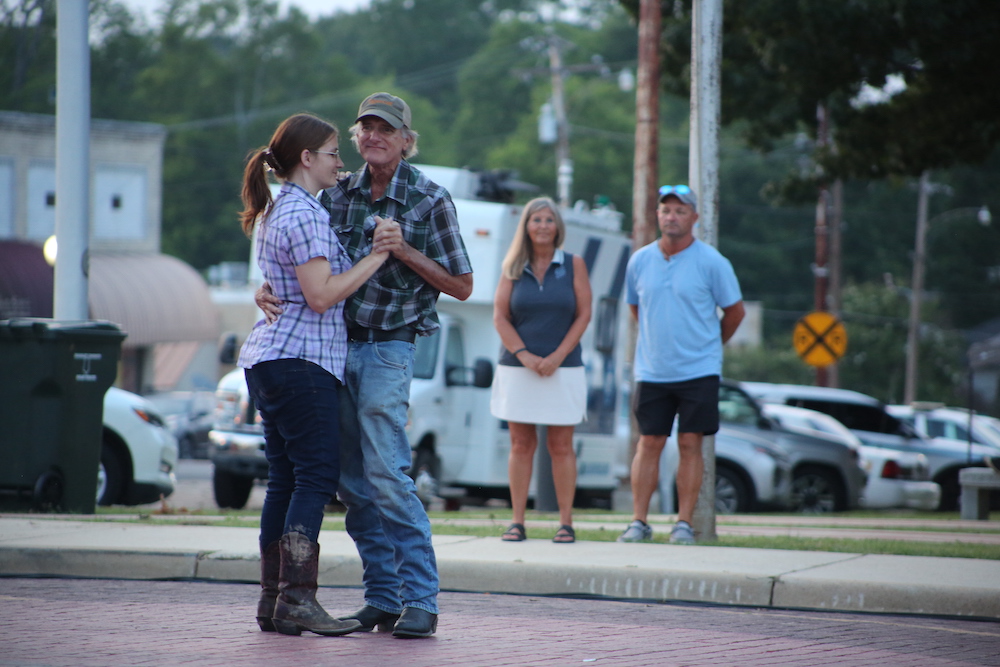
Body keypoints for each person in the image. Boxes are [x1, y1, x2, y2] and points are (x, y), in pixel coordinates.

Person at [257, 93, 472, 638]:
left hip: (387, 349)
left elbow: (464, 286)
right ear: (355, 138)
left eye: (386, 129)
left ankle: (421, 599)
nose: (373, 136)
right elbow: (302, 259)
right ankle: (382, 596)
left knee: (386, 473)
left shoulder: (430, 199)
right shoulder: (337, 190)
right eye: (365, 128)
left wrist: (404, 251)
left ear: (406, 139)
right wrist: (266, 287)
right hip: (327, 349)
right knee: (350, 482)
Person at [238, 113, 392, 637]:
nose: (339, 162)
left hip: (271, 360)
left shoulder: (279, 209)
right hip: (301, 362)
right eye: (332, 153)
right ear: (307, 159)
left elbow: (280, 284)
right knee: (315, 477)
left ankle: (273, 600)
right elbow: (321, 294)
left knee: (284, 479)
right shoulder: (302, 214)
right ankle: (298, 599)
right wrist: (377, 256)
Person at [618, 184, 745, 545]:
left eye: (680, 210)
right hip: (652, 370)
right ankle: (638, 522)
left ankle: (683, 523)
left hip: (699, 371)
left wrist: (709, 346)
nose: (671, 216)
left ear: (694, 217)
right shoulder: (640, 260)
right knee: (650, 442)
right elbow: (634, 307)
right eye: (665, 210)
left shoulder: (712, 262)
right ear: (657, 215)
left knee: (691, 443)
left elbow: (735, 312)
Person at [490, 197, 591, 543]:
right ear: (527, 226)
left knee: (562, 446)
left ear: (558, 227)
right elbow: (500, 316)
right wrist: (525, 356)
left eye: (549, 220)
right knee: (521, 444)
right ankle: (517, 521)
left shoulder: (574, 264)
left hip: (564, 368)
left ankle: (566, 523)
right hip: (519, 369)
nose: (543, 226)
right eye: (537, 220)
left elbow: (583, 314)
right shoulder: (513, 266)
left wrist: (558, 356)